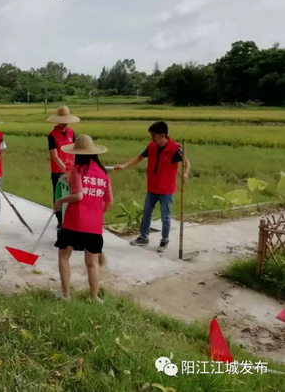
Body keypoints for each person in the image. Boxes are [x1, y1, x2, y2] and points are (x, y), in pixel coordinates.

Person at [114, 121, 190, 252]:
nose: (152, 138)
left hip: (166, 190)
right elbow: (139, 158)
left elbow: (186, 162)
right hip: (152, 187)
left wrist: (186, 173)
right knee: (146, 213)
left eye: (154, 135)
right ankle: (144, 237)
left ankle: (164, 240)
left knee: (165, 216)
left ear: (162, 135)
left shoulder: (175, 148)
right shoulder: (151, 146)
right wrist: (124, 166)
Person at [53, 135, 112, 303]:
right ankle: (94, 298)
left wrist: (60, 200)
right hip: (94, 225)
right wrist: (96, 215)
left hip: (74, 222)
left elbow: (78, 196)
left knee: (64, 256)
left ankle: (65, 295)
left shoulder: (77, 169)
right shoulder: (102, 173)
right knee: (92, 264)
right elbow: (109, 201)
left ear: (77, 153)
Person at [46, 105, 79, 232]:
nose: (65, 124)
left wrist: (74, 167)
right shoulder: (52, 136)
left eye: (66, 121)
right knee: (59, 195)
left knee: (73, 194)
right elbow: (54, 155)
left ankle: (71, 219)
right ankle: (60, 220)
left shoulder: (71, 133)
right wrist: (65, 168)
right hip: (58, 171)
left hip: (72, 170)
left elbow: (75, 151)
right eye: (62, 121)